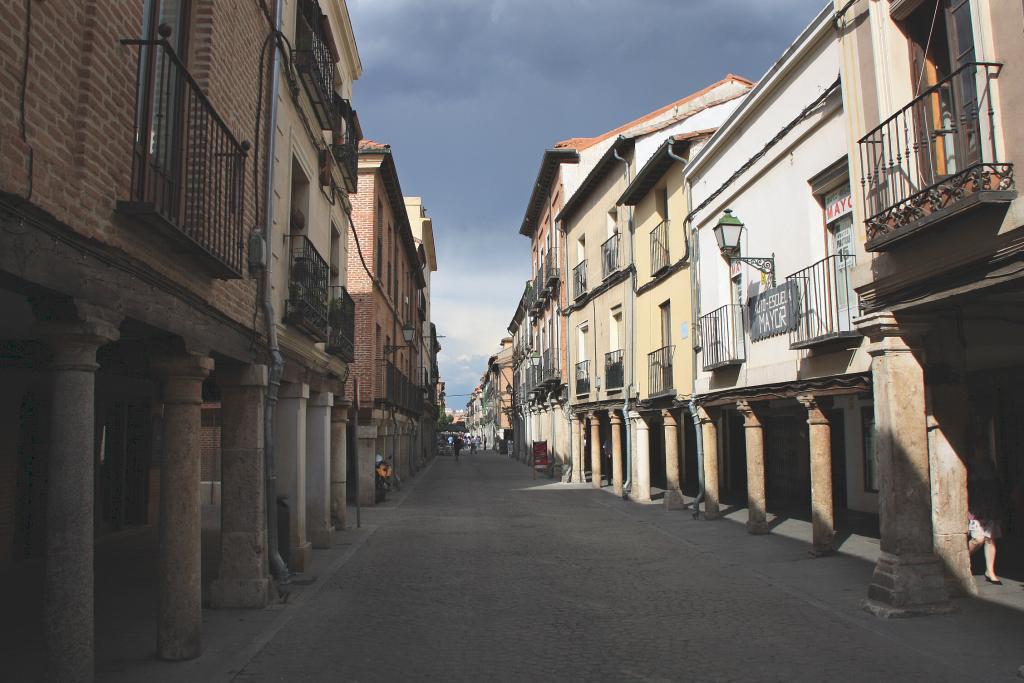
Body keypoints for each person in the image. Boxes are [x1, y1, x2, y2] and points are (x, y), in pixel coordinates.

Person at [967, 439, 1003, 585]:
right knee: (978, 539)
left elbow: (996, 485)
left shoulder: (990, 465)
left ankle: (990, 571)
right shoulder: (969, 465)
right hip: (976, 506)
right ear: (974, 449)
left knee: (990, 538)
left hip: (990, 505)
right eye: (980, 448)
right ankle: (963, 560)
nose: (983, 452)